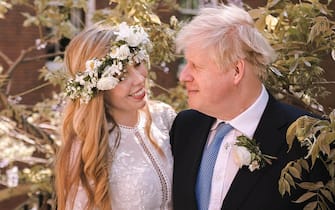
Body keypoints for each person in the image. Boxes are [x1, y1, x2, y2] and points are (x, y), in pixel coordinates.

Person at [170, 4, 331, 210]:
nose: (184, 77)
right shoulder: (185, 127)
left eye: (196, 66)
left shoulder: (308, 139)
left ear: (236, 70)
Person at [54, 21, 176, 210]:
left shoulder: (164, 117)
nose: (138, 79)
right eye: (120, 76)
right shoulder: (86, 148)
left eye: (137, 64)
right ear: (97, 88)